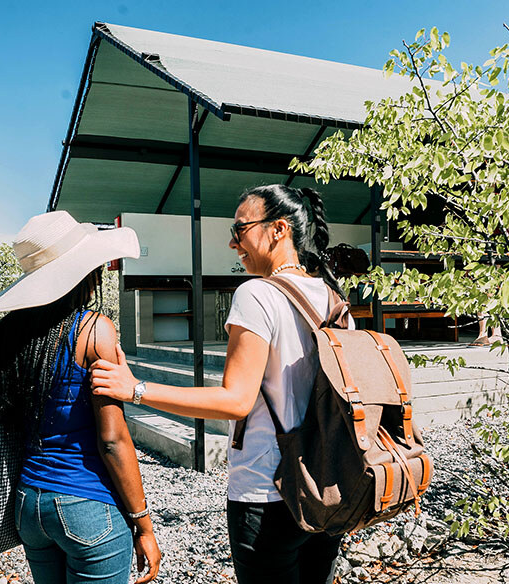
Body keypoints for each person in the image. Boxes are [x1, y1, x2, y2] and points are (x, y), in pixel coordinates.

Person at [91, 184, 353, 584]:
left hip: (269, 493)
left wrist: (136, 389)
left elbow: (235, 401)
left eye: (240, 229)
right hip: (328, 487)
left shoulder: (257, 294)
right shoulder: (334, 299)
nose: (233, 243)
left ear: (279, 229)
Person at [0, 211, 161, 584]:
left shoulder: (6, 336)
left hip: (28, 505)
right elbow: (112, 440)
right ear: (85, 274)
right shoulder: (93, 329)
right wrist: (143, 525)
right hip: (85, 505)